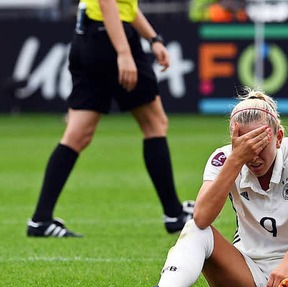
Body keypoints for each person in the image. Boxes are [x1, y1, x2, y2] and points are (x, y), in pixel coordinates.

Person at [126, 89, 288, 287]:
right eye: (244, 145)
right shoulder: (224, 159)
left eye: (260, 144)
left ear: (278, 137)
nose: (253, 156)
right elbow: (202, 217)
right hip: (249, 280)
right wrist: (235, 159)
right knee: (195, 228)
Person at [26, 0, 193, 237]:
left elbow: (127, 6)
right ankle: (174, 214)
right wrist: (124, 53)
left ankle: (40, 220)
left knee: (77, 135)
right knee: (155, 124)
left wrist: (153, 38)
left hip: (87, 35)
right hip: (111, 37)